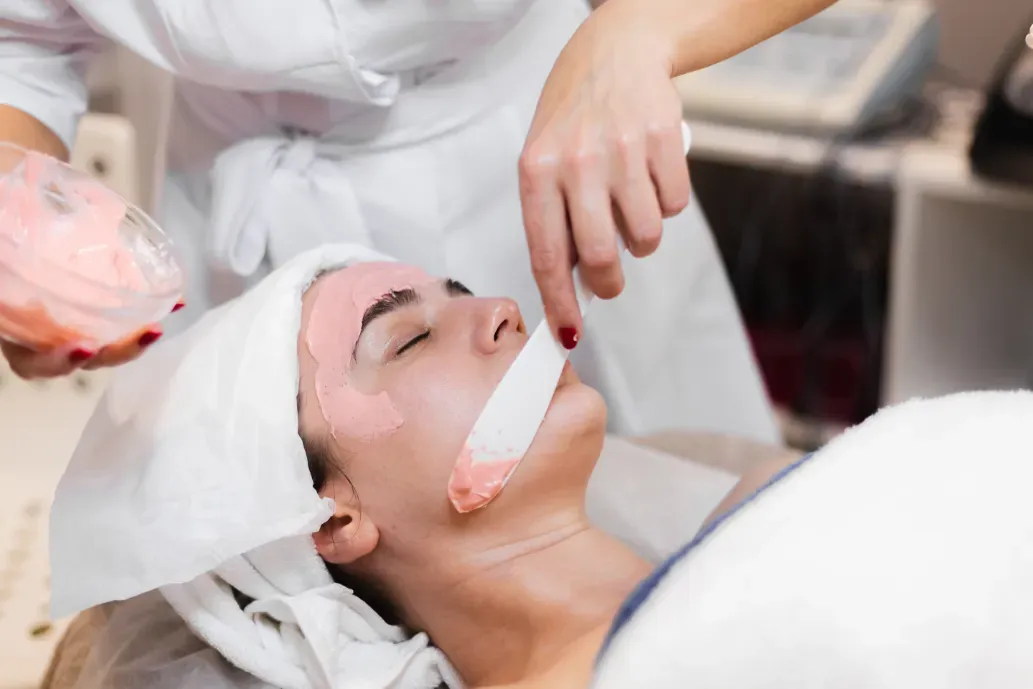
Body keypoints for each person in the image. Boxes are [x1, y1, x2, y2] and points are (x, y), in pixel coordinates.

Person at [47, 249, 1033, 689]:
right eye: (408, 337)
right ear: (330, 520)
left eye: (464, 289)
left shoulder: (770, 522)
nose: (501, 312)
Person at [0, 0, 838, 441]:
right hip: (228, 207)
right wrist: (20, 232)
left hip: (534, 156)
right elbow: (21, 43)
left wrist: (641, 25)